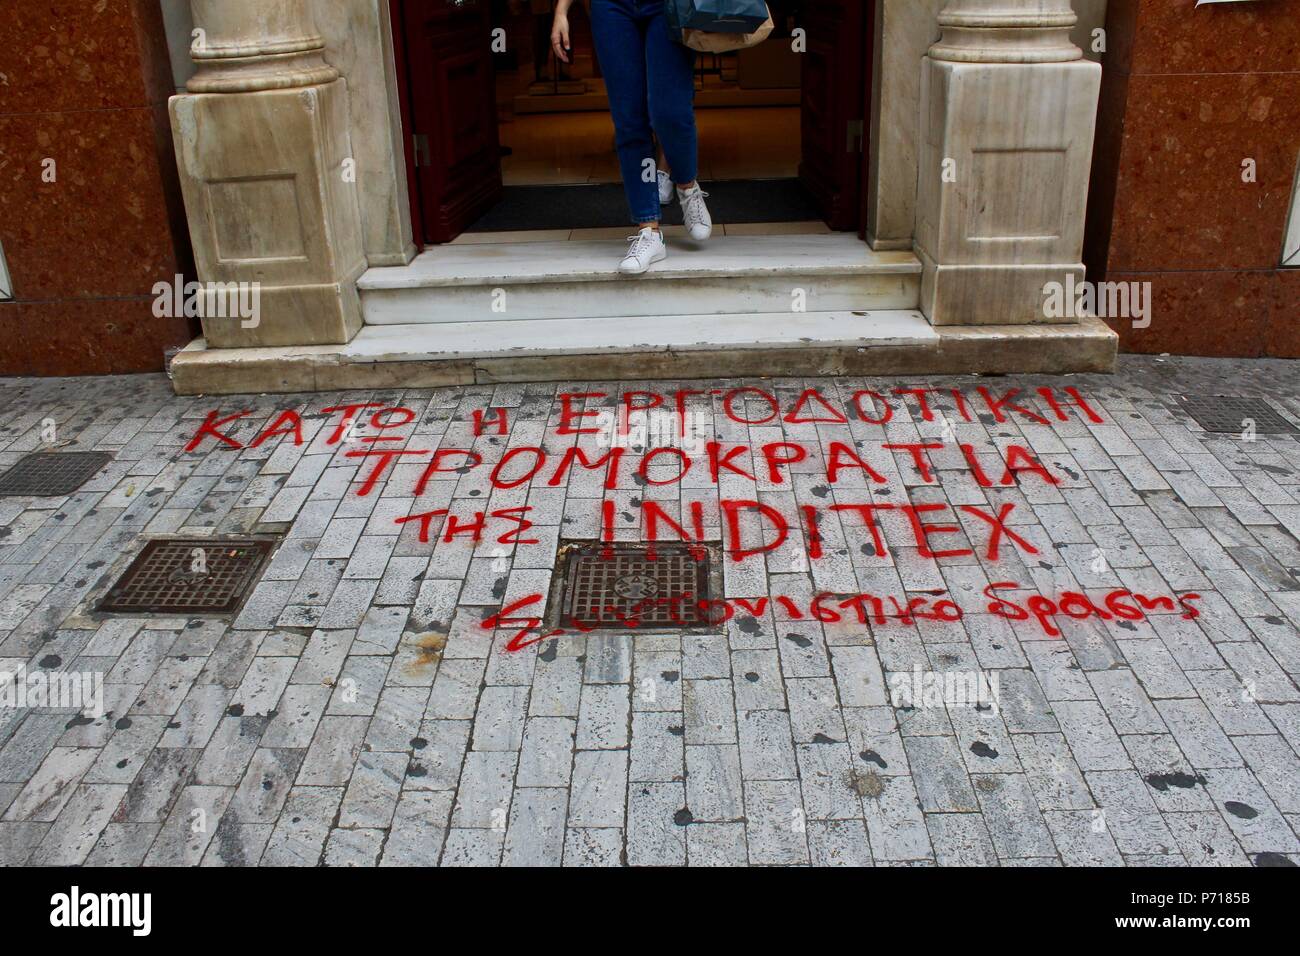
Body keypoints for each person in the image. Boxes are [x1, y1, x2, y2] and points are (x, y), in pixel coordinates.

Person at [551, 0, 713, 275]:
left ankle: (686, 184)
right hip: (612, 8)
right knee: (629, 119)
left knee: (670, 111)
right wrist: (561, 11)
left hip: (667, 5)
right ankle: (649, 231)